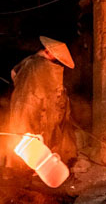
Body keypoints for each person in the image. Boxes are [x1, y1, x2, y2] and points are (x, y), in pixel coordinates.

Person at [7, 36, 77, 172]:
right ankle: (28, 169)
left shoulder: (29, 61)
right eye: (55, 58)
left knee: (21, 136)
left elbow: (14, 74)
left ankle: (16, 167)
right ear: (50, 53)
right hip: (33, 106)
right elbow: (50, 93)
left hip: (21, 103)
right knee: (34, 136)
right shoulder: (42, 66)